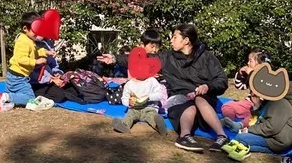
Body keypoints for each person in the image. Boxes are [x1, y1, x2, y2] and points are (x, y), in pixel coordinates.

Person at [156, 24, 229, 152]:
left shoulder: (206, 57)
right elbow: (142, 60)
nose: (171, 40)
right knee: (189, 105)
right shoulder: (167, 58)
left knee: (199, 100)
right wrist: (114, 58)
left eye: (174, 37)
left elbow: (222, 80)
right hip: (179, 99)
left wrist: (208, 86)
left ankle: (222, 136)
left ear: (186, 40)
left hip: (204, 101)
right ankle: (185, 137)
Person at [0, 11, 50, 107]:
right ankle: (6, 97)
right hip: (19, 77)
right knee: (29, 98)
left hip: (13, 76)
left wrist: (45, 52)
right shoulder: (23, 41)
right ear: (25, 28)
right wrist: (36, 61)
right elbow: (20, 59)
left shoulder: (29, 40)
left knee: (8, 96)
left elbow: (34, 51)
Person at [111, 47, 168, 135]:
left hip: (149, 108)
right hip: (135, 109)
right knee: (129, 115)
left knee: (152, 116)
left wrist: (149, 97)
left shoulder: (152, 81)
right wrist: (128, 102)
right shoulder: (129, 84)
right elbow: (124, 98)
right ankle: (124, 126)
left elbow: (160, 95)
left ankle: (159, 126)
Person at [221, 48, 270, 132]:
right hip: (249, 104)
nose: (248, 63)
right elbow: (239, 86)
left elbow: (263, 91)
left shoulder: (267, 77)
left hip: (262, 107)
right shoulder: (249, 76)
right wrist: (240, 74)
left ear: (260, 65)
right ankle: (228, 121)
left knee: (257, 117)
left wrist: (252, 74)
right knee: (227, 106)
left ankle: (239, 125)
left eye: (250, 61)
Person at [96, 29, 162, 75]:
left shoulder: (162, 58)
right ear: (142, 45)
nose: (154, 50)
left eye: (157, 47)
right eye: (152, 47)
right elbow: (127, 59)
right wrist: (113, 58)